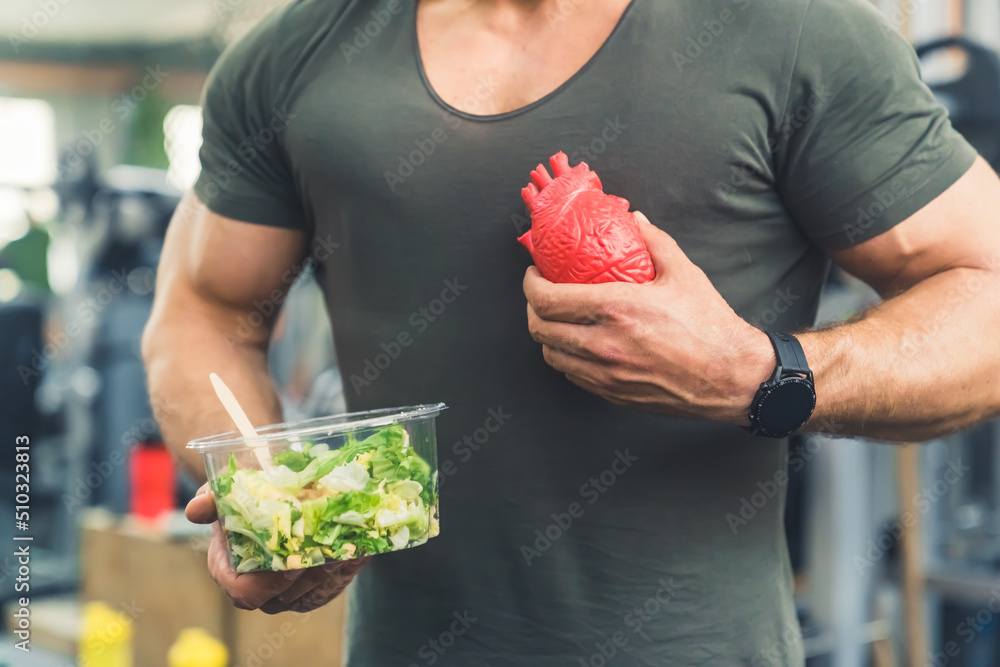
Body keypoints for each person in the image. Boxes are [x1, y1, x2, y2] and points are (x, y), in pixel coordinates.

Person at [142, 0, 1000, 663]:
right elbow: (204, 308)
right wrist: (269, 490)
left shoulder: (792, 32)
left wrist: (757, 373)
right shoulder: (295, 54)